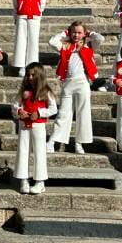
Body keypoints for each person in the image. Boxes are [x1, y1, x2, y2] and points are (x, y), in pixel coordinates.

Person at [47, 21, 104, 154]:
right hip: (68, 83)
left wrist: (90, 33)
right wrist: (65, 33)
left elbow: (100, 39)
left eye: (79, 32)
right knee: (63, 113)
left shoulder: (89, 45)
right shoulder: (65, 45)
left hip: (82, 82)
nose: (76, 35)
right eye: (74, 32)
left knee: (82, 113)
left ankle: (79, 143)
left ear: (84, 34)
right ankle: (52, 141)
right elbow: (52, 41)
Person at [12, 63, 57, 194]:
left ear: (39, 76)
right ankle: (23, 180)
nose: (30, 77)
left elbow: (53, 108)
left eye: (33, 75)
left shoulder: (46, 91)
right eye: (28, 75)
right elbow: (14, 106)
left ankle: (40, 181)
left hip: (38, 125)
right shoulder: (23, 91)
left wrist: (40, 112)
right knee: (23, 150)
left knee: (39, 152)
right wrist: (19, 111)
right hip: (24, 125)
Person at [12, 0, 46, 77]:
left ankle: (31, 65)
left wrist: (39, 14)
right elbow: (15, 1)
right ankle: (21, 66)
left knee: (33, 42)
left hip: (34, 17)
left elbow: (42, 2)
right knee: (21, 40)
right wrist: (16, 14)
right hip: (22, 16)